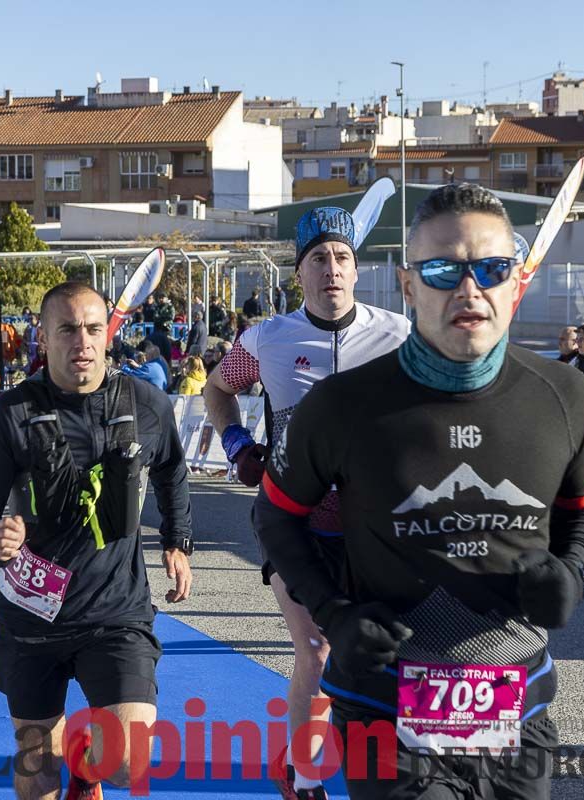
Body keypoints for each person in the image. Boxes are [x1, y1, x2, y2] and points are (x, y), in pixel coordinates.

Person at [256, 184, 584, 798]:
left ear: (513, 281)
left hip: (517, 712)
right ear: (409, 284)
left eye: (491, 268)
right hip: (385, 713)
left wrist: (574, 573)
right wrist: (333, 612)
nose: (469, 290)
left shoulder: (563, 394)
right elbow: (274, 517)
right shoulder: (341, 405)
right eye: (444, 269)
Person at [202, 205, 410, 800]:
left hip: (376, 531)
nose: (332, 269)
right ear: (301, 273)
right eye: (318, 259)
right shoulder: (268, 338)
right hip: (294, 523)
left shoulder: (397, 335)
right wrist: (238, 443)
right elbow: (219, 388)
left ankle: (405, 764)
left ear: (356, 268)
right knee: (315, 648)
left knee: (388, 652)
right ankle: (306, 772)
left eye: (342, 257)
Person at [0, 281, 193, 800]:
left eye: (92, 328)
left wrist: (177, 540)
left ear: (109, 334)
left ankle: (87, 769)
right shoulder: (14, 412)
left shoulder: (146, 404)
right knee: (38, 769)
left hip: (116, 612)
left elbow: (174, 470)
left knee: (128, 762)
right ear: (42, 336)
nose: (82, 341)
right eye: (67, 329)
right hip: (31, 617)